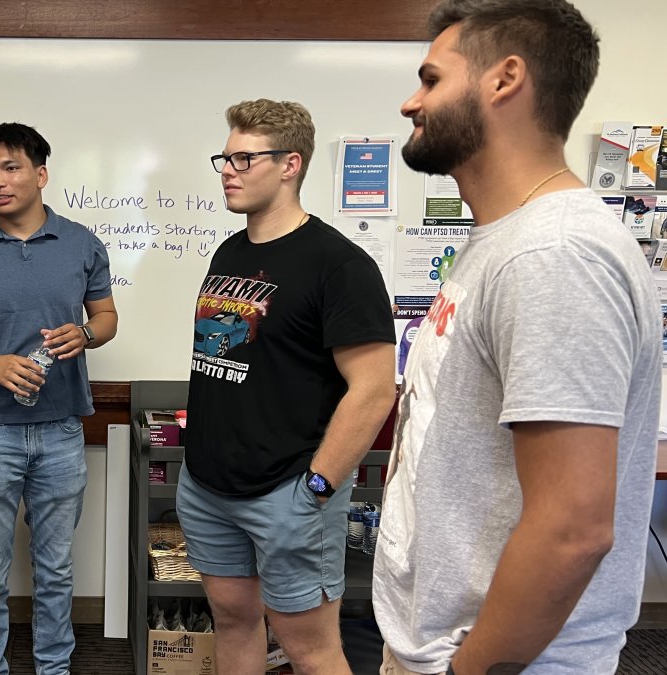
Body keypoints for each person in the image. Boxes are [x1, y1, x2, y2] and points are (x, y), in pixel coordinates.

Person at [372, 1, 661, 674]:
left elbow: (572, 529)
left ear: (504, 79)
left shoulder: (553, 254)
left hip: (503, 659)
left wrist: (468, 669)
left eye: (431, 79)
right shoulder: (506, 243)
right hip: (445, 645)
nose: (411, 103)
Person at [179, 98, 396, 675]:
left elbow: (374, 389)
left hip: (289, 490)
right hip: (208, 484)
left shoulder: (339, 265)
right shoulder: (231, 251)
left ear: (290, 164)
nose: (228, 170)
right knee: (233, 620)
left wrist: (318, 487)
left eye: (244, 159)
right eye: (224, 158)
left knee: (310, 647)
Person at [0, 122, 118, 675]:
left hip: (60, 428)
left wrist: (85, 334)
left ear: (40, 173)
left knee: (55, 567)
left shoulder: (82, 243)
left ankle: (53, 667)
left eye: (9, 168)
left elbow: (105, 318)